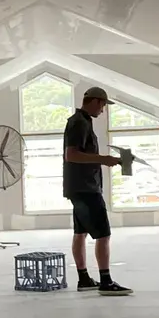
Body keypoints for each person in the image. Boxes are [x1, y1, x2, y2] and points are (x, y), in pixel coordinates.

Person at [62, 86, 132, 295]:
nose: (103, 110)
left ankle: (84, 279)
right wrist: (103, 159)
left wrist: (112, 160)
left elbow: (80, 155)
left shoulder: (81, 121)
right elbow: (71, 155)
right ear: (95, 101)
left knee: (80, 232)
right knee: (103, 234)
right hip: (86, 189)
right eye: (103, 105)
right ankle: (106, 282)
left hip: (79, 187)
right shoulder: (79, 123)